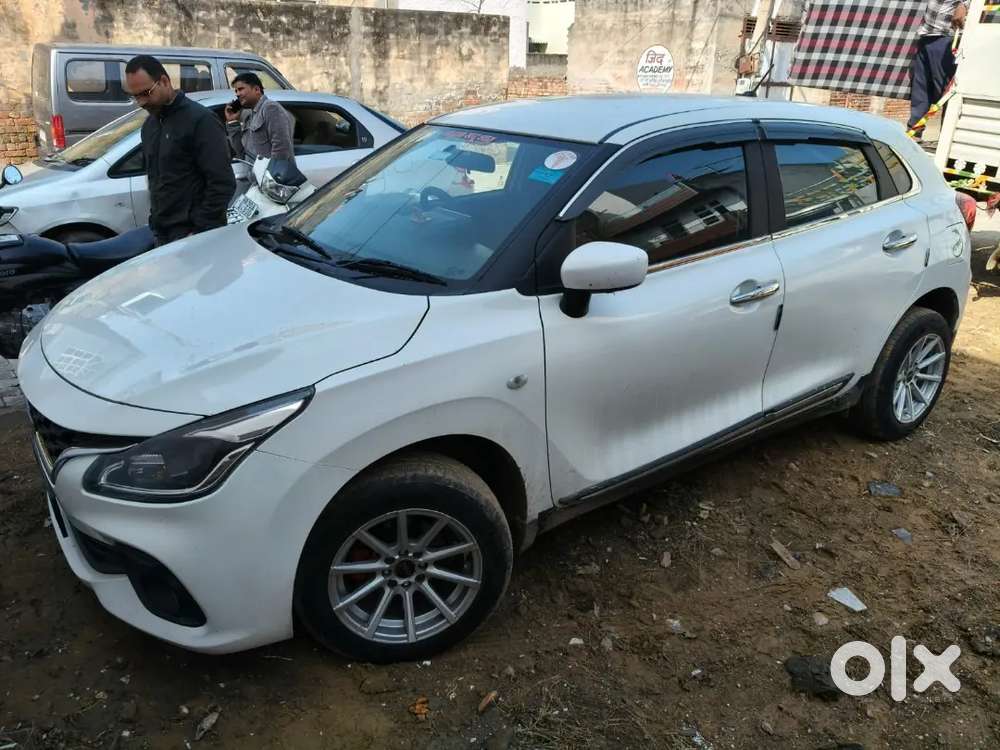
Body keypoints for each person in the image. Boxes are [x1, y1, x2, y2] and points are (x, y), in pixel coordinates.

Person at [123, 55, 235, 246]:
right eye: (136, 96)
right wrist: (155, 222)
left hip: (196, 237)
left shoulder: (201, 120)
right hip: (162, 233)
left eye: (146, 93)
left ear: (165, 82)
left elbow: (222, 183)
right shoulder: (150, 126)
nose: (141, 102)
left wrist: (199, 230)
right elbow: (157, 180)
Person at [908, 0, 969, 139]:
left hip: (947, 38)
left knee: (946, 93)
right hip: (927, 36)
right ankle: (914, 132)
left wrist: (964, 5)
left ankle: (947, 139)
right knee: (921, 89)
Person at [224, 72, 295, 162]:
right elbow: (242, 154)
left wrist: (269, 170)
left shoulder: (270, 108)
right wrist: (232, 122)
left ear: (257, 89)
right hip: (252, 170)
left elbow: (282, 148)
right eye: (236, 91)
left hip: (271, 170)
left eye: (241, 89)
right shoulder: (250, 115)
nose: (237, 94)